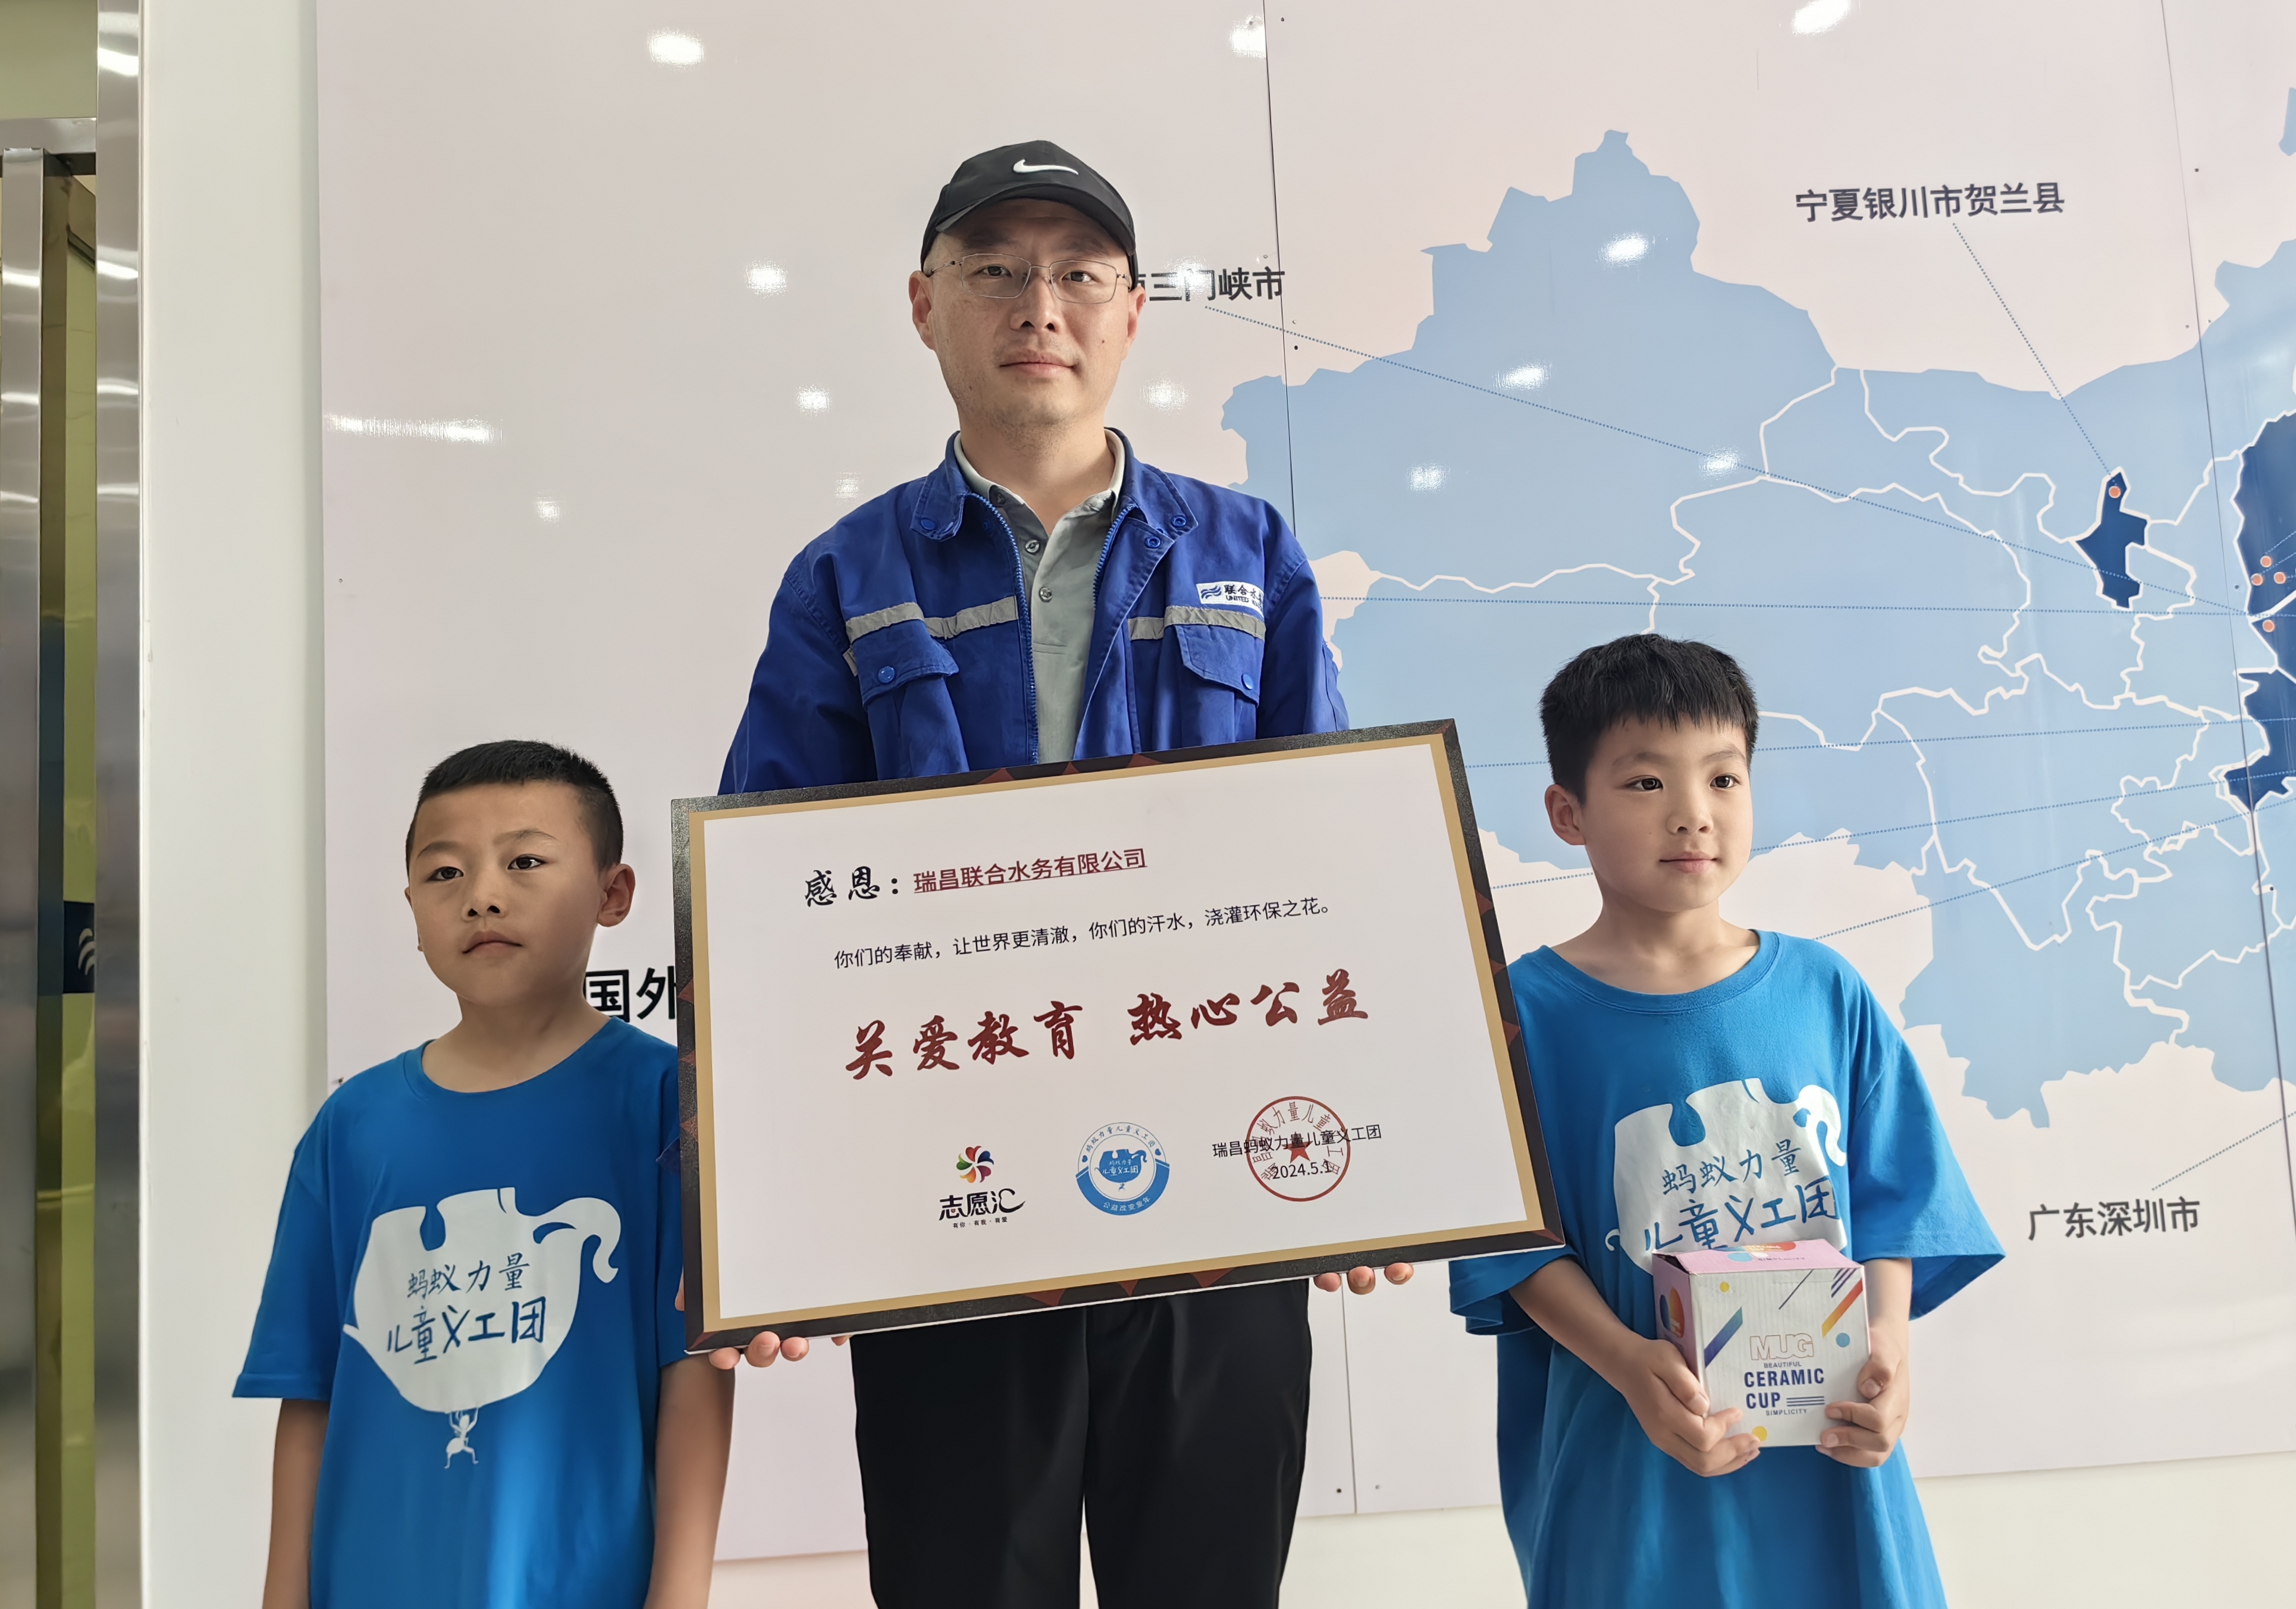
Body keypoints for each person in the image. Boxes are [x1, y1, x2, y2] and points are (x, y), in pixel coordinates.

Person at [713, 140, 1404, 1609]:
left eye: (1080, 273)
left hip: (1218, 1201)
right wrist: (754, 1214)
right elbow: (773, 904)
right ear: (925, 304)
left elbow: (1332, 858)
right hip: (948, 1199)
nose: (1041, 305)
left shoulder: (1246, 551)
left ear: (1132, 309)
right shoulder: (846, 575)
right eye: (996, 271)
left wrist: (1375, 1160)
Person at [1450, 634, 2002, 1605]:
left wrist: (1889, 1350)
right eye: (1646, 783)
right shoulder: (1519, 1016)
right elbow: (1513, 1246)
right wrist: (1631, 1366)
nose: (1693, 814)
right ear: (1568, 813)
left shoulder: (1826, 990)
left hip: (1829, 1458)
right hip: (1632, 1456)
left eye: (1723, 778)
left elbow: (1895, 1206)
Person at [236, 742, 732, 1609]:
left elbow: (694, 1373)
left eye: (525, 861)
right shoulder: (352, 1127)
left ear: (613, 893)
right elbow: (311, 1392)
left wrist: (679, 1595)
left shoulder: (671, 1104)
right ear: (411, 907)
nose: (482, 896)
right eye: (445, 873)